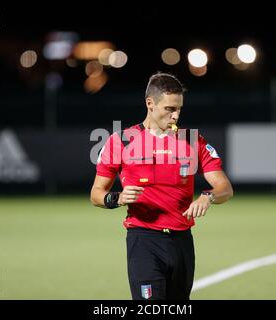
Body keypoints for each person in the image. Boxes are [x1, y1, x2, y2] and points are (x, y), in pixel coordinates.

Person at [90, 72, 233, 300]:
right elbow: (96, 194)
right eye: (169, 109)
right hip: (143, 241)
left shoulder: (192, 141)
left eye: (179, 109)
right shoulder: (121, 141)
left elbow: (224, 187)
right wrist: (116, 198)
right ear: (150, 103)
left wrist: (208, 196)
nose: (176, 115)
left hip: (182, 241)